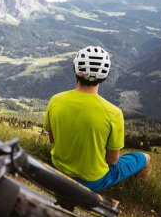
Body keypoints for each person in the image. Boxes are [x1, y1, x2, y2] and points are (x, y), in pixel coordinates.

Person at [43, 46, 150, 192]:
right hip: (92, 182)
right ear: (105, 76)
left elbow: (52, 140)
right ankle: (136, 194)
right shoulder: (114, 113)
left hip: (57, 170)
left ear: (75, 69)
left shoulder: (56, 100)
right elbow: (112, 160)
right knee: (144, 157)